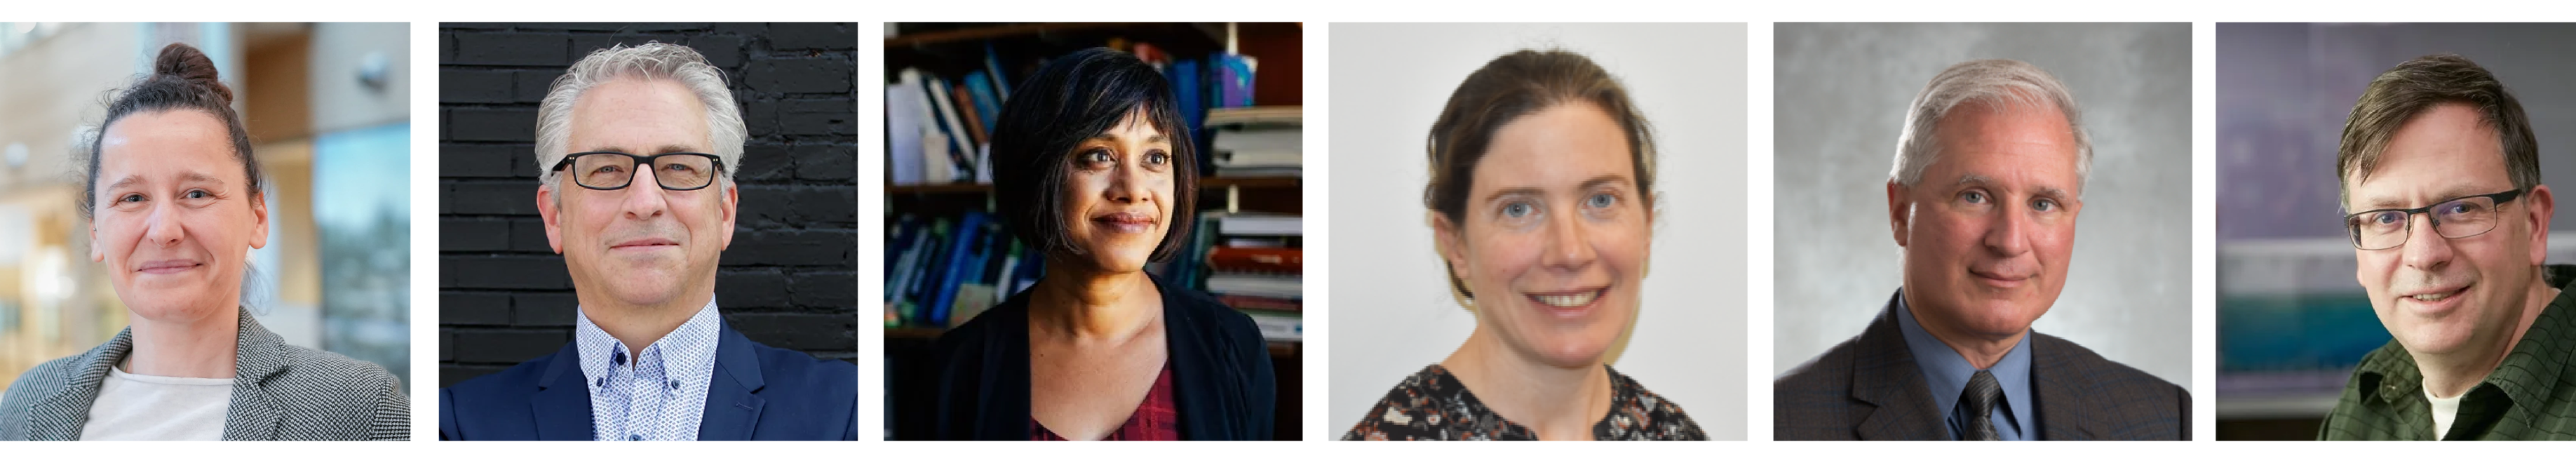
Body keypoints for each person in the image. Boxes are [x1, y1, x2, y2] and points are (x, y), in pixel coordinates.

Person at [437, 42, 858, 441]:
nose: (644, 203)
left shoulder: (849, 415)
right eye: (605, 169)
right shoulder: (458, 427)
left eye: (679, 166)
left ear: (725, 212)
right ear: (555, 216)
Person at [0, 43, 411, 441]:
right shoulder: (31, 405)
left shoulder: (359, 410)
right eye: (132, 198)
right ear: (95, 233)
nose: (164, 230)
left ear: (258, 218)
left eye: (197, 194)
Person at [1774, 59, 2188, 441]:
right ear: (1901, 212)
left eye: (2043, 204)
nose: (2009, 242)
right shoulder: (1783, 423)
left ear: (2073, 217)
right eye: (1974, 196)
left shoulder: (2166, 421)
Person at [911, 48, 1277, 441]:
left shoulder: (1233, 346)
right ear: (1038, 173)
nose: (1134, 190)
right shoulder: (958, 368)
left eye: (1155, 158)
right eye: (1099, 156)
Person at [1341, 49, 1706, 442]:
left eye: (1600, 200)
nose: (1570, 252)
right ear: (1455, 244)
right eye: (1518, 209)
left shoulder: (1675, 436)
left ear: (1646, 223)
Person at [2315, 54, 2576, 441]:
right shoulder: (2365, 407)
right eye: (2386, 218)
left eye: (2461, 208)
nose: (2424, 255)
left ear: (2534, 225)